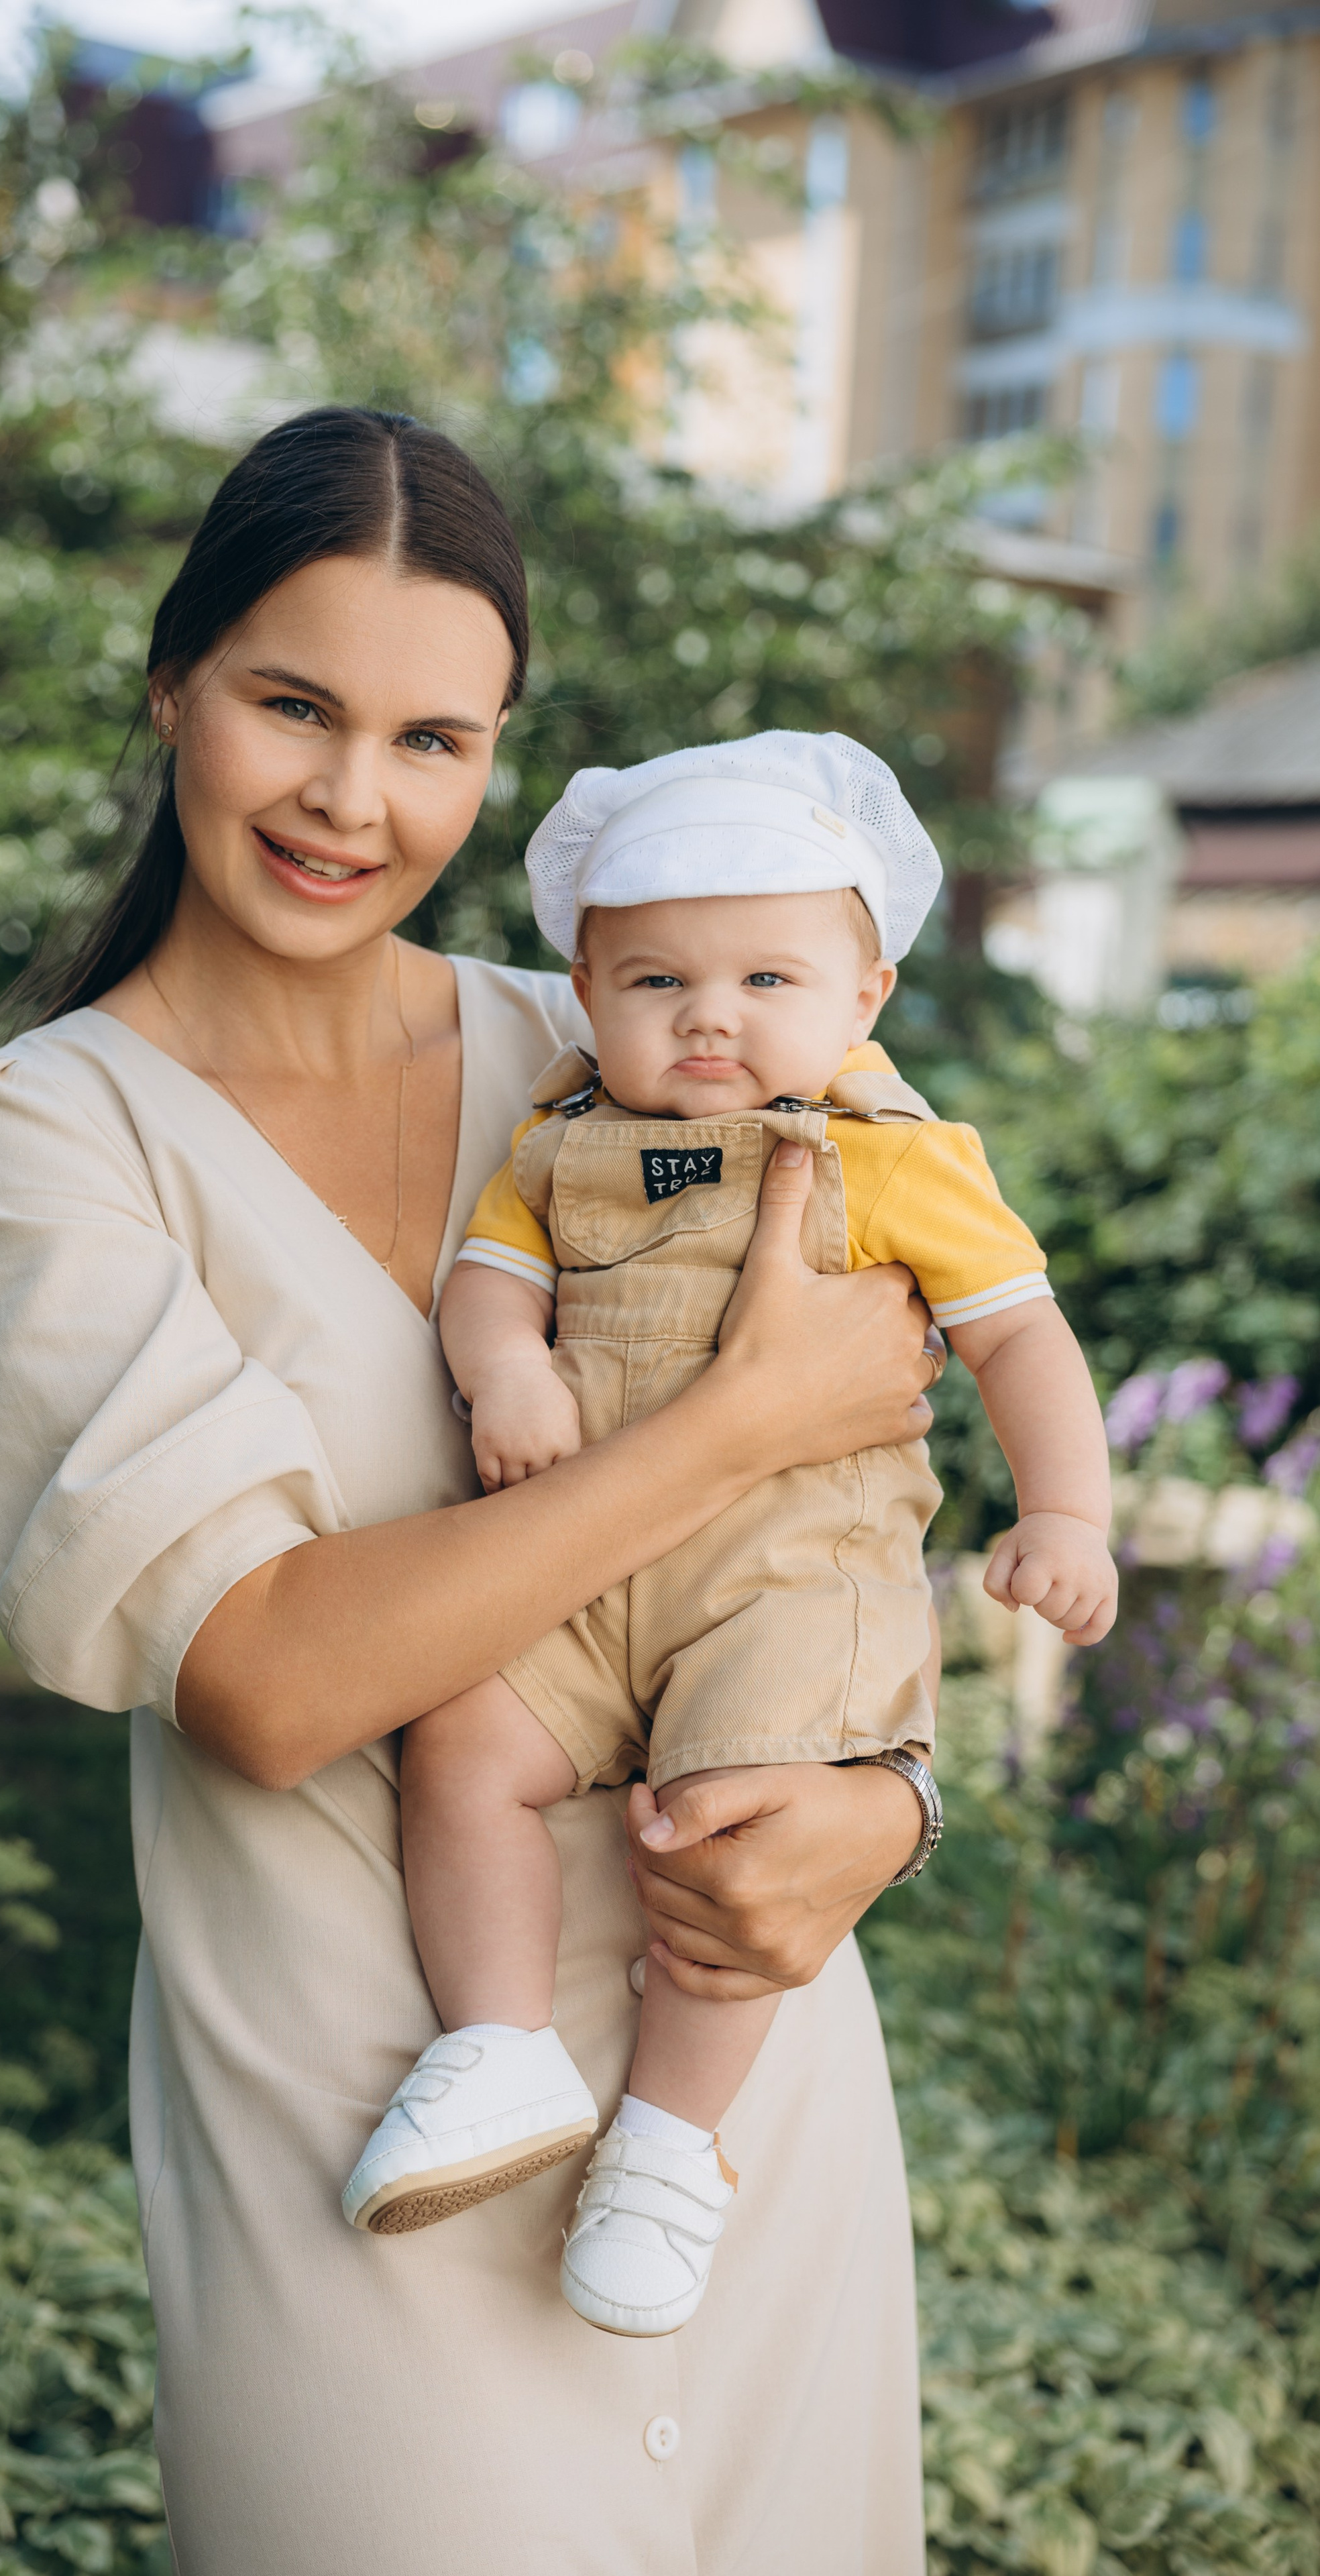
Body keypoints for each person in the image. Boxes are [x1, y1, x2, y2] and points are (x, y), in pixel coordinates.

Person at [0, 405, 944, 2575]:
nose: (352, 803)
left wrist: (889, 1806)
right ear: (173, 679)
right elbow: (272, 1681)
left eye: (433, 739)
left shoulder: (651, 1021)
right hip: (354, 2141)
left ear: (501, 765)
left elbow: (887, 1493)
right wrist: (727, 1425)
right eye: (294, 705)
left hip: (738, 2106)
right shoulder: (41, 1132)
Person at [342, 733, 1118, 2339]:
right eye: (653, 980)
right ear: (585, 988)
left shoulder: (897, 1162)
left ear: (865, 997)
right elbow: (491, 1277)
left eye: (767, 975)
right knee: (459, 1746)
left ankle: (665, 2147)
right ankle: (496, 2048)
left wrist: (1065, 1510)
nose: (708, 1014)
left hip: (781, 1579)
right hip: (571, 1562)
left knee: (726, 1849)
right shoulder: (556, 1149)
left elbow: (1019, 1337)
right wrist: (505, 1366)